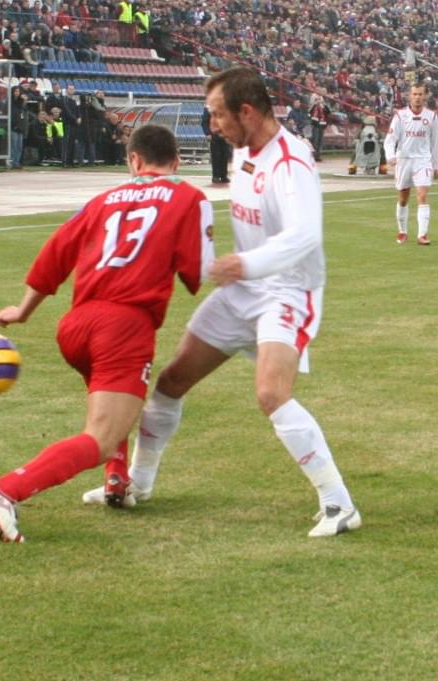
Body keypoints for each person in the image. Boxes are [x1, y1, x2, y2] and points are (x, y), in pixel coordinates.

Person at [83, 66, 362, 538]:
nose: (212, 125)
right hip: (242, 294)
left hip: (287, 291)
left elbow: (304, 236)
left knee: (271, 393)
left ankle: (339, 504)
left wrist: (246, 265)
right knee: (170, 382)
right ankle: (138, 484)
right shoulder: (243, 153)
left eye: (217, 115)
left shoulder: (290, 163)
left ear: (246, 112)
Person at [0, 123, 215, 542]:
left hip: (77, 325)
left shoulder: (102, 199)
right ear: (176, 163)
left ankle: (116, 480)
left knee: (110, 407)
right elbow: (197, 273)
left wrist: (23, 310)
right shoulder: (187, 195)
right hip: (123, 326)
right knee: (101, 437)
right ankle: (5, 489)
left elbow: (56, 252)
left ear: (133, 161)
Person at [383, 82, 438, 246]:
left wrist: (436, 165)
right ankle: (402, 231)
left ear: (425, 96)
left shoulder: (432, 117)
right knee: (403, 198)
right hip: (404, 160)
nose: (418, 97)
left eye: (421, 94)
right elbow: (389, 140)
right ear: (409, 96)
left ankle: (422, 235)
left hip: (423, 160)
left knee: (422, 194)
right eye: (415, 94)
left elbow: (436, 143)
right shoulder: (400, 116)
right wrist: (391, 156)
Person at [201, 104, 231, 184]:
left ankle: (224, 175)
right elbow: (204, 121)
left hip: (225, 133)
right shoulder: (209, 106)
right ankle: (216, 176)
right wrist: (207, 133)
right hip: (214, 133)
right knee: (216, 155)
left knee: (225, 154)